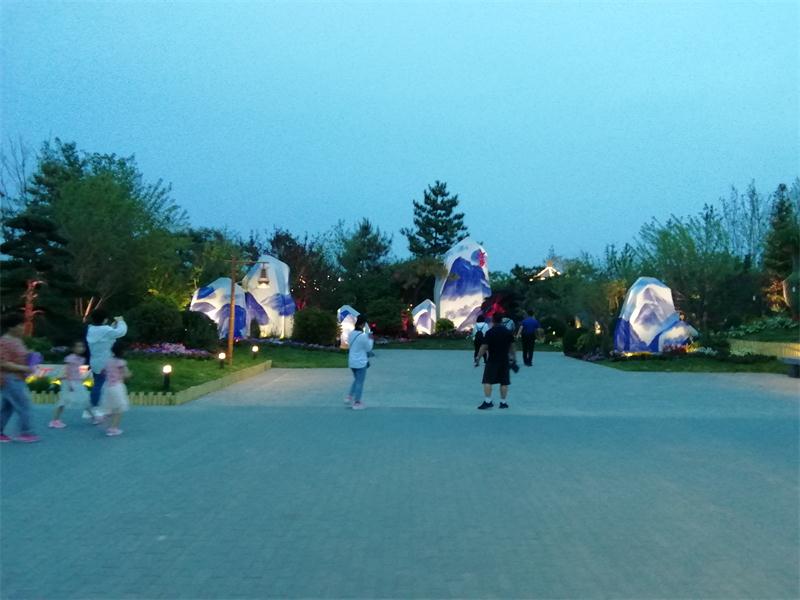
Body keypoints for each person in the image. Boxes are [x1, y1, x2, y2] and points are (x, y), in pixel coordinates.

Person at [0, 314, 40, 442]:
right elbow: (3, 363)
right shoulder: (4, 342)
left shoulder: (18, 340)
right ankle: (26, 433)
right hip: (9, 378)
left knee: (8, 408)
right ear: (11, 327)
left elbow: (19, 356)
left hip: (17, 378)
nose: (23, 328)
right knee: (23, 405)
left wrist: (30, 355)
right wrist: (24, 368)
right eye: (20, 325)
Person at [86, 310, 127, 416]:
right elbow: (121, 332)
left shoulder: (91, 329)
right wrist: (121, 321)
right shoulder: (106, 330)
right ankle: (98, 409)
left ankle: (97, 406)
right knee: (106, 385)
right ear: (105, 320)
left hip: (95, 362)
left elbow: (107, 334)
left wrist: (113, 326)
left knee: (98, 384)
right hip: (106, 363)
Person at [474, 313, 517, 410]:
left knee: (487, 380)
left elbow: (484, 347)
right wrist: (513, 358)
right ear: (501, 320)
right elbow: (512, 347)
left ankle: (488, 401)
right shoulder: (507, 332)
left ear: (493, 320)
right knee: (504, 382)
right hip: (504, 360)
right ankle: (503, 402)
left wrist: (478, 358)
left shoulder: (490, 332)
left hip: (492, 360)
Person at [49, 340, 92, 428]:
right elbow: (66, 371)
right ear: (73, 348)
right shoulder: (70, 358)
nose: (81, 348)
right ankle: (54, 421)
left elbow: (77, 371)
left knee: (85, 398)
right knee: (63, 401)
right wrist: (69, 384)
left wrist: (81, 378)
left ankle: (94, 417)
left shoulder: (81, 359)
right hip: (69, 382)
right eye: (78, 346)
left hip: (77, 381)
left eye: (82, 346)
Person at [100, 342, 131, 436]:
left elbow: (103, 372)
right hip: (117, 386)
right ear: (123, 351)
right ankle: (113, 428)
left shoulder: (108, 361)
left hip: (107, 386)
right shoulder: (121, 362)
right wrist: (130, 374)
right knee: (119, 408)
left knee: (110, 405)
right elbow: (126, 375)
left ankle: (106, 416)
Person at [345, 315, 373, 410]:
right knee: (360, 382)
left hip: (352, 361)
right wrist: (371, 339)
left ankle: (349, 396)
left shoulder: (351, 334)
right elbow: (368, 348)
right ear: (363, 324)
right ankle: (357, 402)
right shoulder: (363, 336)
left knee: (357, 380)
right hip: (361, 362)